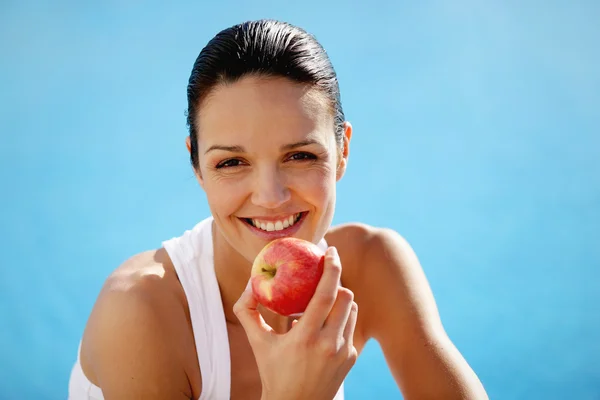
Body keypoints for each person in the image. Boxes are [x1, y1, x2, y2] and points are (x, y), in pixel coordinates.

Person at [68, 19, 489, 400]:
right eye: (231, 162)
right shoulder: (142, 314)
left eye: (300, 156)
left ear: (342, 150)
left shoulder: (372, 268)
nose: (270, 196)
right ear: (196, 166)